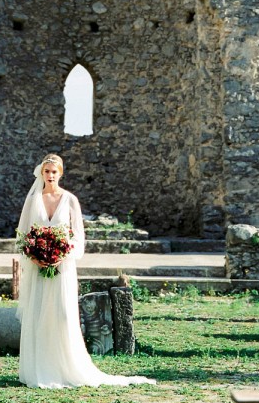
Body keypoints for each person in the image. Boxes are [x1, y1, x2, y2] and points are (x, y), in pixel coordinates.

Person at [16, 152, 156, 389]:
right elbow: (24, 236)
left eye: (54, 172)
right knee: (39, 315)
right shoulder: (32, 200)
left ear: (60, 174)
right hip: (39, 269)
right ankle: (38, 369)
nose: (50, 176)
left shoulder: (70, 200)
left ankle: (65, 367)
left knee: (62, 315)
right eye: (47, 171)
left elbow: (78, 238)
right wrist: (36, 257)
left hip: (63, 268)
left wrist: (60, 255)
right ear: (41, 173)